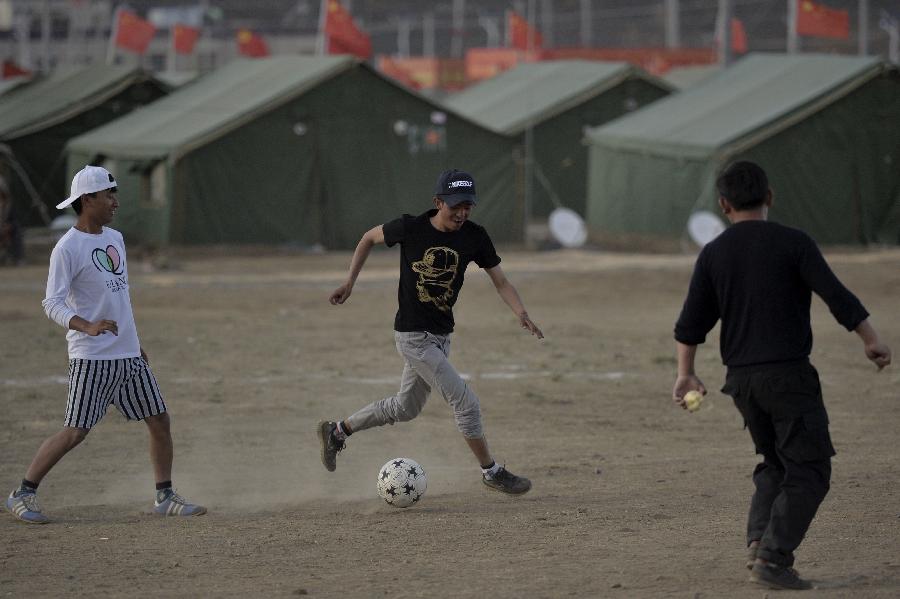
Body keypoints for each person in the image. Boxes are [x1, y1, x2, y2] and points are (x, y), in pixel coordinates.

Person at [672, 161, 891, 590]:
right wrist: (870, 338)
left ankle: (759, 542)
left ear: (723, 205)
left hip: (742, 381)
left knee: (775, 462)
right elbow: (836, 295)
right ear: (770, 196)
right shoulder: (794, 243)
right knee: (810, 469)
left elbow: (691, 323)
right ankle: (773, 558)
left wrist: (686, 374)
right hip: (788, 375)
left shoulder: (714, 253)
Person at [319, 169, 543, 495]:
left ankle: (337, 431)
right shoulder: (410, 228)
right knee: (466, 404)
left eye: (468, 205)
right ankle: (491, 471)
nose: (462, 212)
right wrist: (350, 282)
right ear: (438, 202)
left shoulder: (475, 236)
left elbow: (501, 281)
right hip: (413, 336)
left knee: (404, 408)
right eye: (455, 205)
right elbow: (368, 237)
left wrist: (521, 312)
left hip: (440, 336)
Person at [5, 165, 206, 524]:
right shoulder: (67, 248)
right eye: (108, 195)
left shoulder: (115, 239)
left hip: (127, 354)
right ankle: (22, 493)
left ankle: (165, 495)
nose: (115, 201)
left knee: (159, 419)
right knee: (75, 431)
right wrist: (87, 326)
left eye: (114, 194)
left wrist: (135, 341)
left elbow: (120, 299)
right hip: (92, 357)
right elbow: (52, 303)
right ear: (87, 200)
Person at [0, 175, 24, 266]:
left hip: (5, 230)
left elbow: (13, 219)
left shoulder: (8, 206)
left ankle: (17, 258)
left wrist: (8, 226)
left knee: (16, 230)